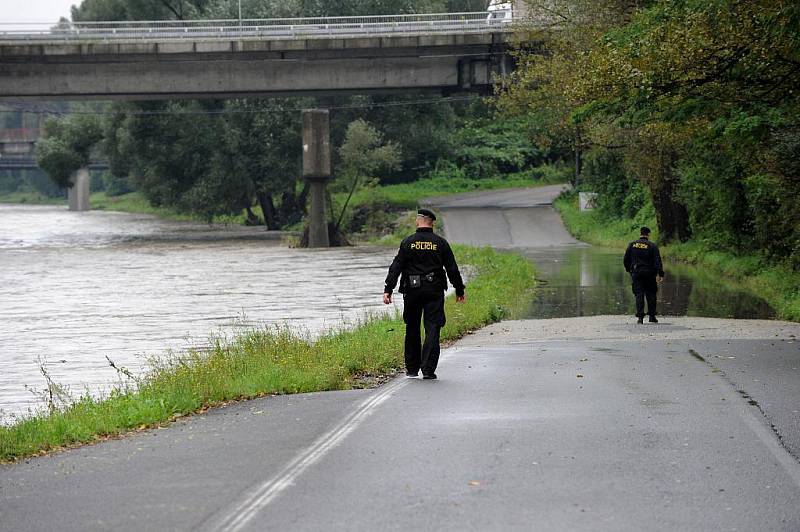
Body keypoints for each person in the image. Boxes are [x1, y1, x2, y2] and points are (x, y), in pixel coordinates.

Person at [383, 208, 466, 379]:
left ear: (419, 220)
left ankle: (412, 369)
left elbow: (396, 267)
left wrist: (388, 289)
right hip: (434, 290)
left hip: (412, 291)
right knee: (433, 328)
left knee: (412, 327)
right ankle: (428, 370)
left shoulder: (408, 242)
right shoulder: (440, 243)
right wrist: (459, 289)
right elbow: (452, 268)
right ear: (432, 222)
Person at [623, 226, 665, 324]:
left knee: (639, 294)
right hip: (649, 274)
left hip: (636, 273)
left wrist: (629, 270)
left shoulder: (632, 245)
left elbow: (626, 259)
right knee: (651, 294)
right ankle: (652, 316)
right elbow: (657, 261)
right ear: (648, 234)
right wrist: (660, 273)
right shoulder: (652, 246)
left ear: (640, 233)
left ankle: (640, 318)